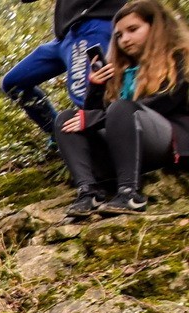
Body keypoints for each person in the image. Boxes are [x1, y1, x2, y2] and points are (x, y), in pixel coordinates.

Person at [54, 0, 189, 216]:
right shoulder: (120, 71)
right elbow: (91, 115)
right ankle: (89, 191)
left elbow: (166, 101)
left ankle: (129, 194)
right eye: (118, 35)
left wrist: (98, 117)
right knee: (66, 119)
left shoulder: (180, 57)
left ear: (155, 27)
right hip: (120, 149)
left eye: (132, 30)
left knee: (121, 109)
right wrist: (96, 88)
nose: (124, 39)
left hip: (164, 142)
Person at [3, 1, 127, 138]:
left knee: (86, 99)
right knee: (13, 83)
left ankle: (117, 147)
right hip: (65, 36)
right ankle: (59, 136)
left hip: (90, 26)